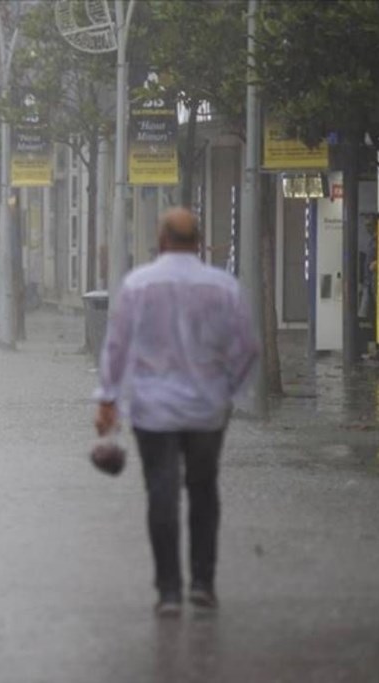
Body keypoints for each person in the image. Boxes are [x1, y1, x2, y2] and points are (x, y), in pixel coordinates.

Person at [94, 207, 260, 618]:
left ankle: (169, 591)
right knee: (204, 491)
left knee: (161, 494)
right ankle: (203, 583)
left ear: (162, 240)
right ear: (199, 242)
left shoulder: (137, 285)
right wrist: (230, 391)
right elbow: (249, 348)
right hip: (207, 408)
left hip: (153, 410)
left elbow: (116, 347)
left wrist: (108, 399)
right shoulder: (224, 286)